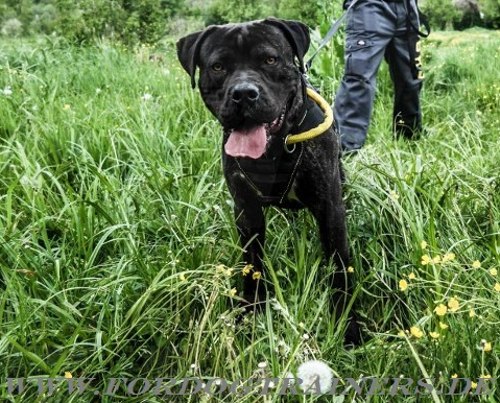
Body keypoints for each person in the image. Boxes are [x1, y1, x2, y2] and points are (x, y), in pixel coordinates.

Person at [334, 0, 426, 152]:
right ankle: (345, 150)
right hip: (370, 6)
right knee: (359, 79)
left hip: (407, 7)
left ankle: (409, 140)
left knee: (411, 78)